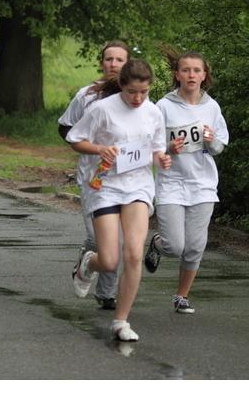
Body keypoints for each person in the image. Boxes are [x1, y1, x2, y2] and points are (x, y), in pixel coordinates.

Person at [66, 59, 171, 341]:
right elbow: (75, 139)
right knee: (110, 260)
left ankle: (121, 321)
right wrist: (100, 149)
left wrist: (161, 158)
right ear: (122, 85)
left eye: (144, 92)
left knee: (134, 253)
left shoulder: (153, 112)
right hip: (105, 186)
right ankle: (89, 263)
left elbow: (156, 149)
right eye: (132, 92)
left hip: (138, 186)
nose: (138, 98)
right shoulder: (102, 109)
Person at [143, 50, 229, 314]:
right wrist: (168, 148)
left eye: (196, 70)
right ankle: (158, 243)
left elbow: (219, 146)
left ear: (204, 75)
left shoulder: (212, 107)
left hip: (202, 184)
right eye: (186, 70)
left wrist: (211, 140)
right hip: (171, 182)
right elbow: (150, 144)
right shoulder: (163, 107)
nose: (191, 75)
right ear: (177, 75)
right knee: (175, 246)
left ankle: (181, 296)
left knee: (194, 246)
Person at [58, 40, 130, 310]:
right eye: (109, 59)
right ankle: (87, 260)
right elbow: (65, 128)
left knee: (117, 239)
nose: (113, 64)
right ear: (102, 63)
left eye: (119, 60)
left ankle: (107, 293)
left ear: (128, 64)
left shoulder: (136, 96)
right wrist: (89, 144)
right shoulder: (87, 95)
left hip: (124, 177)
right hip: (93, 177)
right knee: (99, 238)